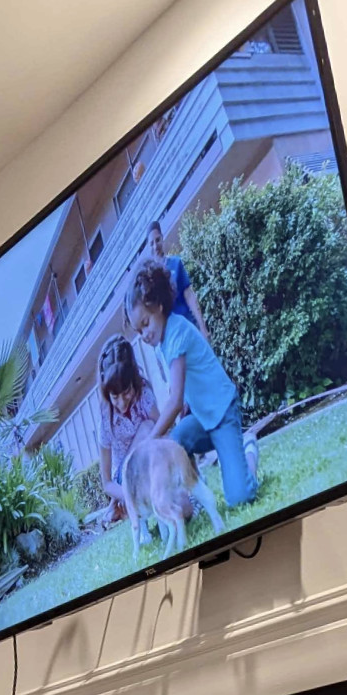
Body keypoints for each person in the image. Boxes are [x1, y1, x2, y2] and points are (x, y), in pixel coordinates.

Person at [126, 259, 258, 510]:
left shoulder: (177, 332)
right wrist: (186, 405)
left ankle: (249, 449)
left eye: (145, 323)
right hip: (202, 417)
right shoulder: (161, 344)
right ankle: (197, 492)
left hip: (222, 413)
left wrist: (150, 441)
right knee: (176, 441)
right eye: (138, 331)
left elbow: (174, 401)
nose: (144, 334)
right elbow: (183, 391)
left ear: (160, 306)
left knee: (240, 498)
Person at [96, 334, 159, 521]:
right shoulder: (105, 423)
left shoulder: (144, 395)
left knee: (150, 427)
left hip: (150, 465)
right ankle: (131, 505)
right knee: (148, 428)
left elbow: (162, 431)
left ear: (134, 382)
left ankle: (135, 503)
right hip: (124, 479)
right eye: (115, 397)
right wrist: (125, 494)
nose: (122, 403)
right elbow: (106, 482)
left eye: (126, 393)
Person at [140, 219, 210, 341]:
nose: (155, 246)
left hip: (189, 326)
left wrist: (203, 327)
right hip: (171, 337)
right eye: (151, 243)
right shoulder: (149, 278)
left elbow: (189, 296)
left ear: (162, 238)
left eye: (157, 240)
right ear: (148, 246)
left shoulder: (176, 263)